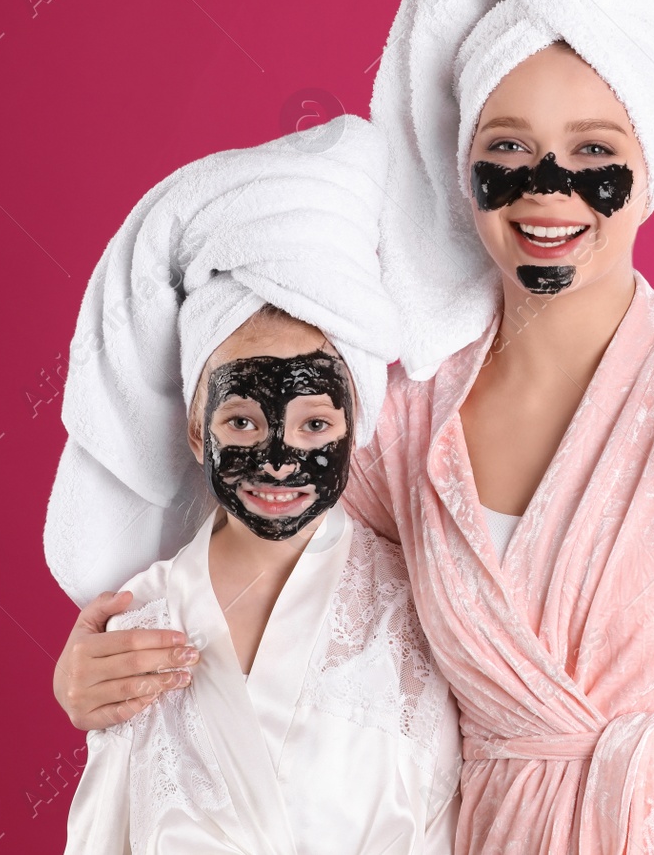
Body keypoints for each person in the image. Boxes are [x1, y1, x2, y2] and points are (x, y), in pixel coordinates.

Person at [57, 0, 654, 854]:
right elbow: (276, 584)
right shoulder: (407, 412)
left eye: (595, 153)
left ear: (651, 167)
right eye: (509, 152)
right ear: (464, 170)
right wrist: (117, 664)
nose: (550, 191)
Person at [46, 116, 460, 855]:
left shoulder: (418, 611)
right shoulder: (139, 624)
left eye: (311, 424)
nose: (277, 460)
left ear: (354, 422)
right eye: (242, 421)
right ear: (197, 428)